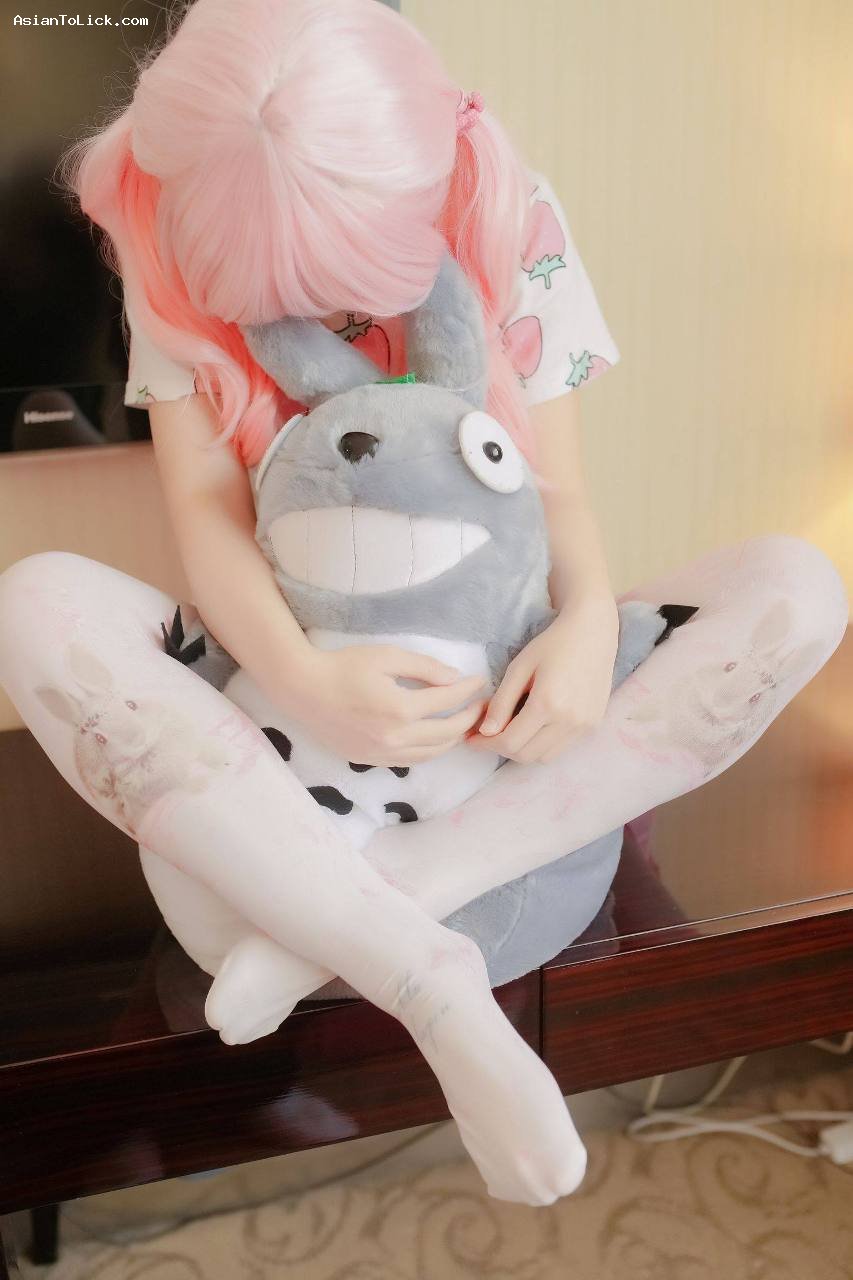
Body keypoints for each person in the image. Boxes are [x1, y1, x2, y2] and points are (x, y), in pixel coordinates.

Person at [0, 0, 846, 1208]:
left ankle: (384, 901)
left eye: (357, 290)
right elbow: (204, 509)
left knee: (800, 587)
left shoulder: (507, 210)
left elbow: (556, 490)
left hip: (489, 714)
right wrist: (301, 677)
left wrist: (584, 626)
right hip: (287, 706)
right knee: (32, 603)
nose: (337, 323)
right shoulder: (170, 212)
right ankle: (422, 973)